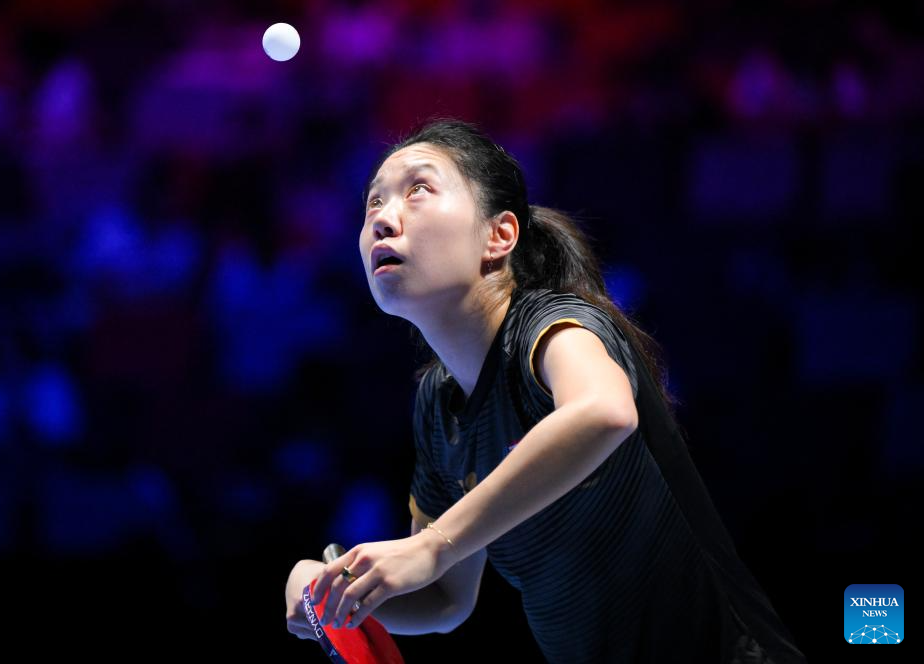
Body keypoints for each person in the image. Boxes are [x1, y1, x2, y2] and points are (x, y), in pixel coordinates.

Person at [284, 118, 807, 663]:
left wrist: (434, 544)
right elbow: (443, 599)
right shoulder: (440, 404)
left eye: (418, 189)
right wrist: (330, 591)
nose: (383, 218)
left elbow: (604, 412)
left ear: (499, 235)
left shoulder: (553, 325)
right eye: (373, 202)